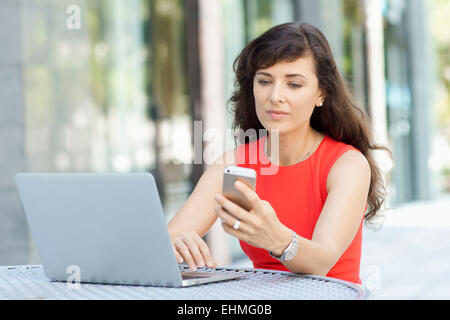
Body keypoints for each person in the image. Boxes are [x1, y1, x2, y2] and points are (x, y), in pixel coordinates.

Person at [167, 22, 390, 284]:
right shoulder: (235, 163)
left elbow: (321, 261)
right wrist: (174, 243)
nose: (275, 96)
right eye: (264, 81)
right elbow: (167, 241)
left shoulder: (347, 165)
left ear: (321, 93)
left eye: (293, 84)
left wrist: (277, 238)